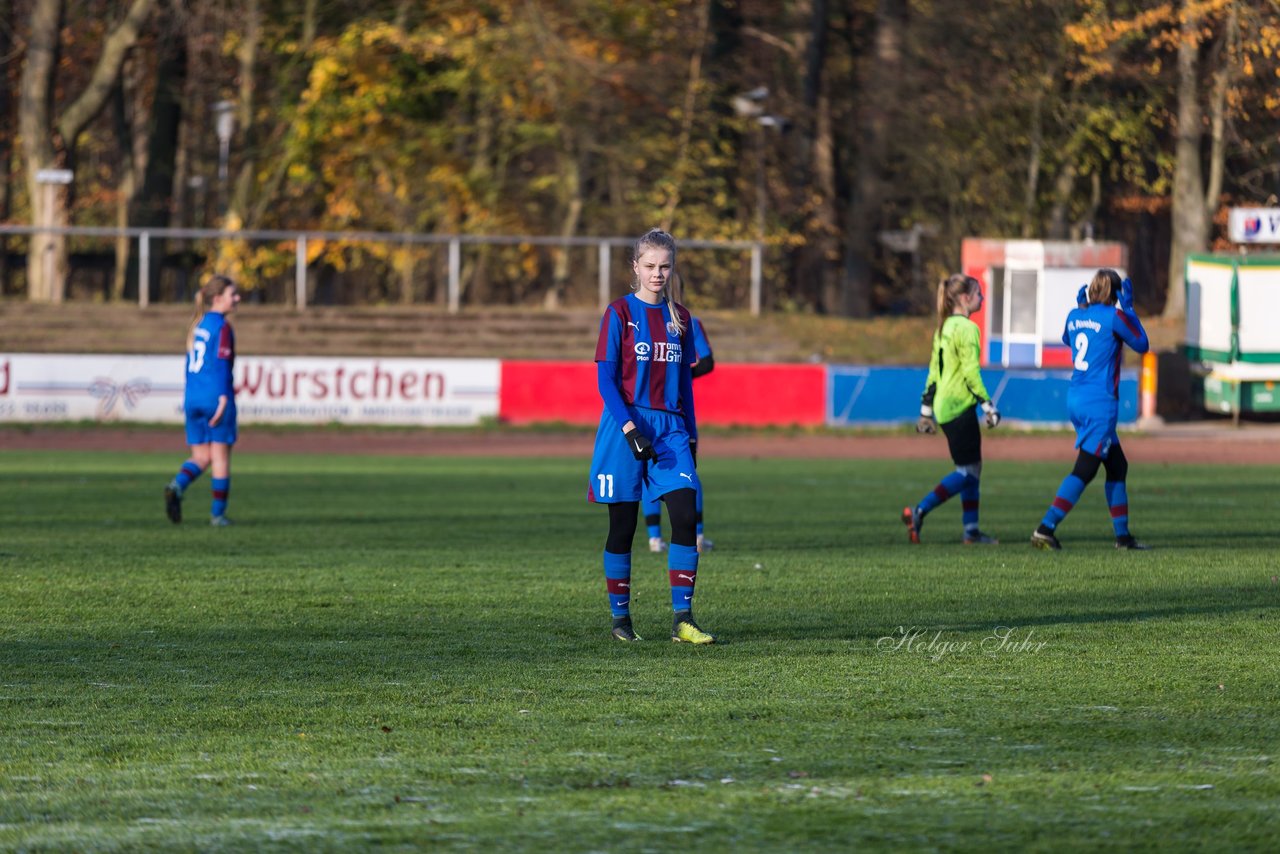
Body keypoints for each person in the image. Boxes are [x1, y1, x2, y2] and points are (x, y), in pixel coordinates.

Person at [588, 228, 715, 644]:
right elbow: (606, 380)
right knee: (622, 526)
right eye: (649, 266)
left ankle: (683, 619)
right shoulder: (619, 313)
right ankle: (620, 622)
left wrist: (692, 438)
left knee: (684, 512)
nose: (657, 273)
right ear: (635, 268)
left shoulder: (682, 318)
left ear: (672, 268)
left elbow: (685, 388)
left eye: (664, 266)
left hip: (671, 429)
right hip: (625, 424)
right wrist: (628, 429)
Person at [1031, 269, 1150, 550]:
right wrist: (1130, 309)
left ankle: (1123, 537)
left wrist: (1082, 310)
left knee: (1117, 465)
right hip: (1100, 403)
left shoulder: (1074, 315)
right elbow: (1142, 344)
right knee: (1085, 469)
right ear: (1117, 293)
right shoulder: (1114, 317)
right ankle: (1045, 528)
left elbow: (1067, 339)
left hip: (1076, 398)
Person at [902, 273, 1001, 545]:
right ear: (965, 298)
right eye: (979, 293)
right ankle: (920, 511)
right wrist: (988, 405)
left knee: (972, 468)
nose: (982, 298)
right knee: (967, 472)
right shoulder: (968, 329)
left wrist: (925, 411)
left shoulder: (943, 327)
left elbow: (934, 370)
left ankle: (971, 531)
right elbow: (971, 373)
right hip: (959, 406)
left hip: (943, 407)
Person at [163, 275, 240, 527]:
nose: (237, 299)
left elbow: (189, 365)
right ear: (218, 299)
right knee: (220, 457)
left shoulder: (198, 325)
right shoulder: (222, 327)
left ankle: (177, 485)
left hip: (193, 397)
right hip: (215, 397)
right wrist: (222, 398)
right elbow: (220, 364)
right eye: (233, 294)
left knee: (201, 456)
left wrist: (193, 396)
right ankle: (218, 515)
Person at [645, 281, 715, 554]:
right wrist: (680, 376)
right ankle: (696, 536)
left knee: (650, 473)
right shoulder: (690, 321)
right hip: (676, 409)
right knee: (688, 475)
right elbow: (707, 362)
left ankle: (654, 538)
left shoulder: (649, 320)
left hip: (649, 408)